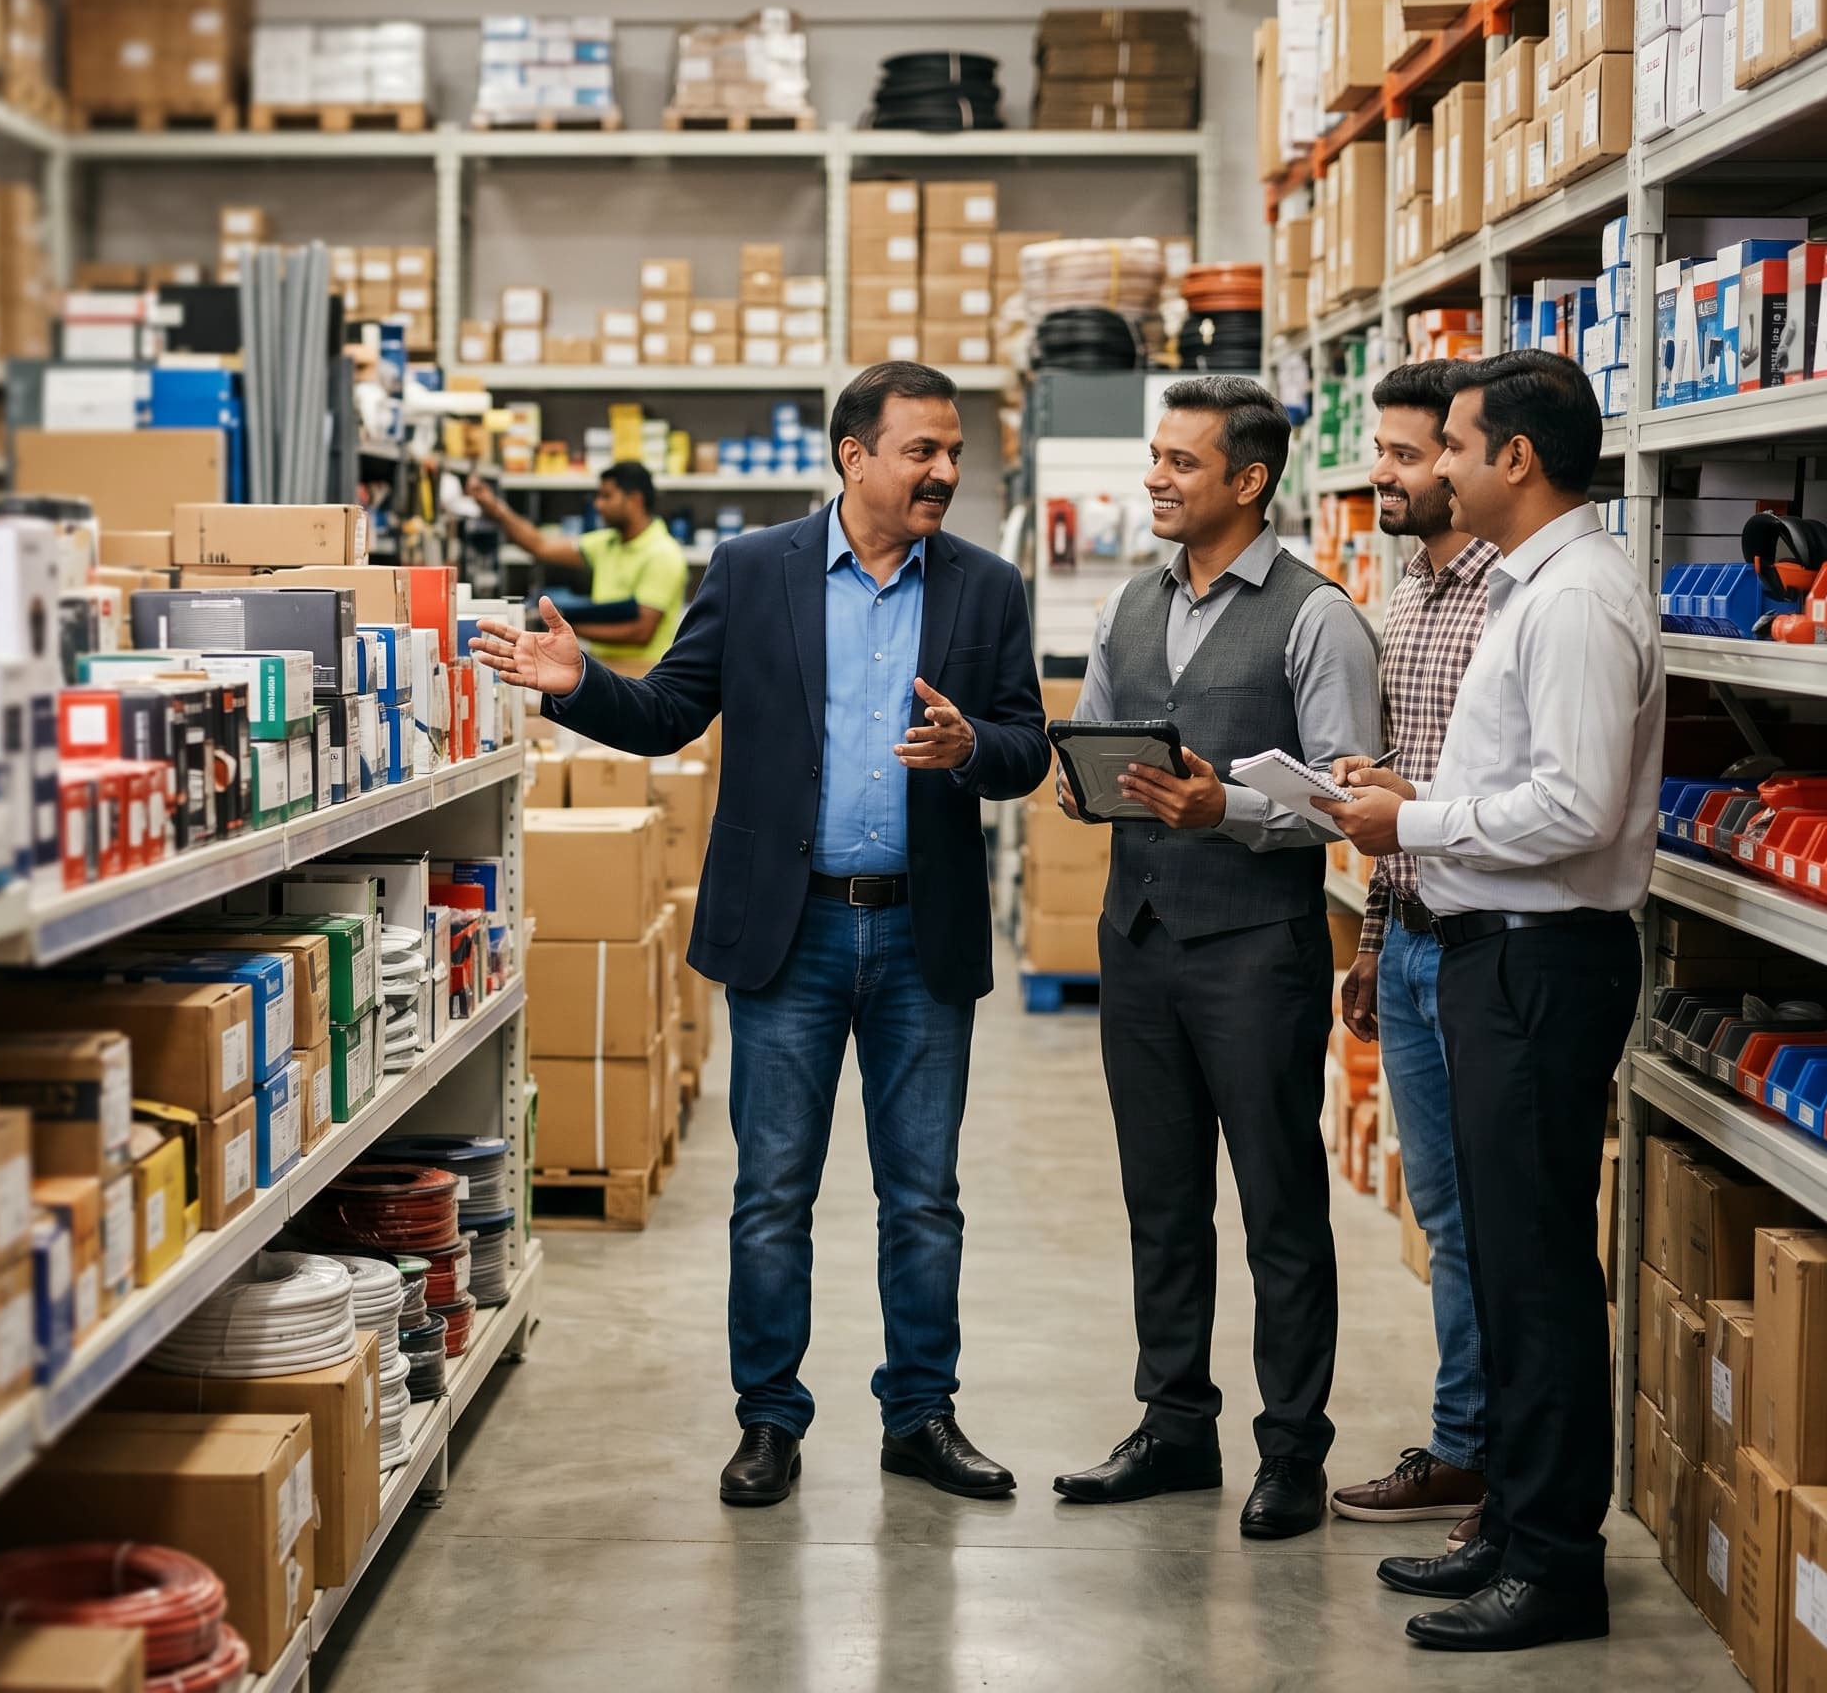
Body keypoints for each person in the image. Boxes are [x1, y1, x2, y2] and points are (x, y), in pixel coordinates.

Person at [471, 362, 1052, 1507]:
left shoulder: (984, 586)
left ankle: (920, 1415)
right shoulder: (755, 570)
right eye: (922, 451)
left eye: (953, 455)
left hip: (919, 933)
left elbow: (1027, 745)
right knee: (773, 1190)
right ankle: (770, 1420)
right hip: (792, 938)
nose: (945, 472)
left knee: (923, 1195)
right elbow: (671, 709)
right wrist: (581, 683)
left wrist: (971, 748)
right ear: (854, 455)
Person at [1317, 349, 1661, 1653]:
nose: (1439, 466)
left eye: (1454, 444)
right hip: (1495, 953)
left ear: (1515, 457)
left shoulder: (1575, 601)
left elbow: (1571, 812)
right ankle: (1515, 1527)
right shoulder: (1538, 587)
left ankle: (1555, 1565)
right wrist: (1407, 804)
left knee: (1537, 1276)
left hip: (1540, 960)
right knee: (1515, 1267)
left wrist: (1417, 813)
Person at [1050, 376, 1381, 1543]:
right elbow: (1095, 729)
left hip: (1256, 950)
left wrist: (1227, 808)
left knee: (1279, 1204)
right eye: (1156, 457)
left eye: (1181, 463)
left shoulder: (1315, 615)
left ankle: (1291, 1446)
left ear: (1248, 479)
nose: (1155, 478)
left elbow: (1352, 802)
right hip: (1136, 941)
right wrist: (1081, 779)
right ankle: (1175, 1421)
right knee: (1162, 1200)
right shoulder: (1131, 604)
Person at [1327, 360, 1496, 1535]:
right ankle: (1466, 1440)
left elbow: (1520, 795)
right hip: (1414, 943)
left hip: (1498, 949)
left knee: (1500, 1216)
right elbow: (1393, 800)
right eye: (1379, 452)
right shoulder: (1404, 599)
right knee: (1443, 1210)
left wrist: (1405, 807)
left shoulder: (1510, 597)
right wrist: (1374, 940)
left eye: (1402, 453)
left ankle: (1503, 1456)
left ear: (1470, 459)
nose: (1379, 471)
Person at [469, 462, 690, 666]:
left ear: (634, 500)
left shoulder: (663, 554)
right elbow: (540, 545)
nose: (598, 504)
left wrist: (565, 629)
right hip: (606, 668)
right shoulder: (607, 542)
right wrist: (495, 508)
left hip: (645, 673)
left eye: (606, 496)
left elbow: (641, 633)